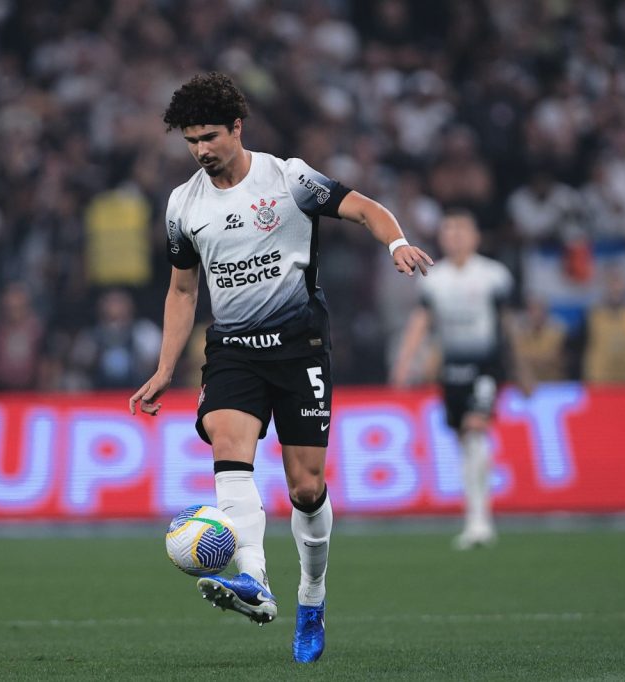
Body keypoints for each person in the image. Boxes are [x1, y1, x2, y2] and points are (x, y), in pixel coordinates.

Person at [128, 72, 432, 663]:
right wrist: (167, 366)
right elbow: (183, 291)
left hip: (299, 348)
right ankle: (256, 583)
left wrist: (395, 243)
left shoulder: (288, 178)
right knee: (227, 439)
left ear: (237, 128)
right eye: (190, 141)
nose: (200, 150)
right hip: (234, 351)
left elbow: (364, 208)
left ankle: (311, 597)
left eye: (210, 137)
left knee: (306, 487)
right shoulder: (182, 205)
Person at [393, 209, 533, 550]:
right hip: (451, 371)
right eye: (449, 230)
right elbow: (422, 321)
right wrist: (405, 363)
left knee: (475, 427)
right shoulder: (433, 277)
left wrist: (521, 368)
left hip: (486, 366)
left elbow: (507, 324)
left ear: (475, 237)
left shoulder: (493, 275)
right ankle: (476, 515)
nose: (454, 236)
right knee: (464, 440)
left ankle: (479, 521)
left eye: (461, 230)